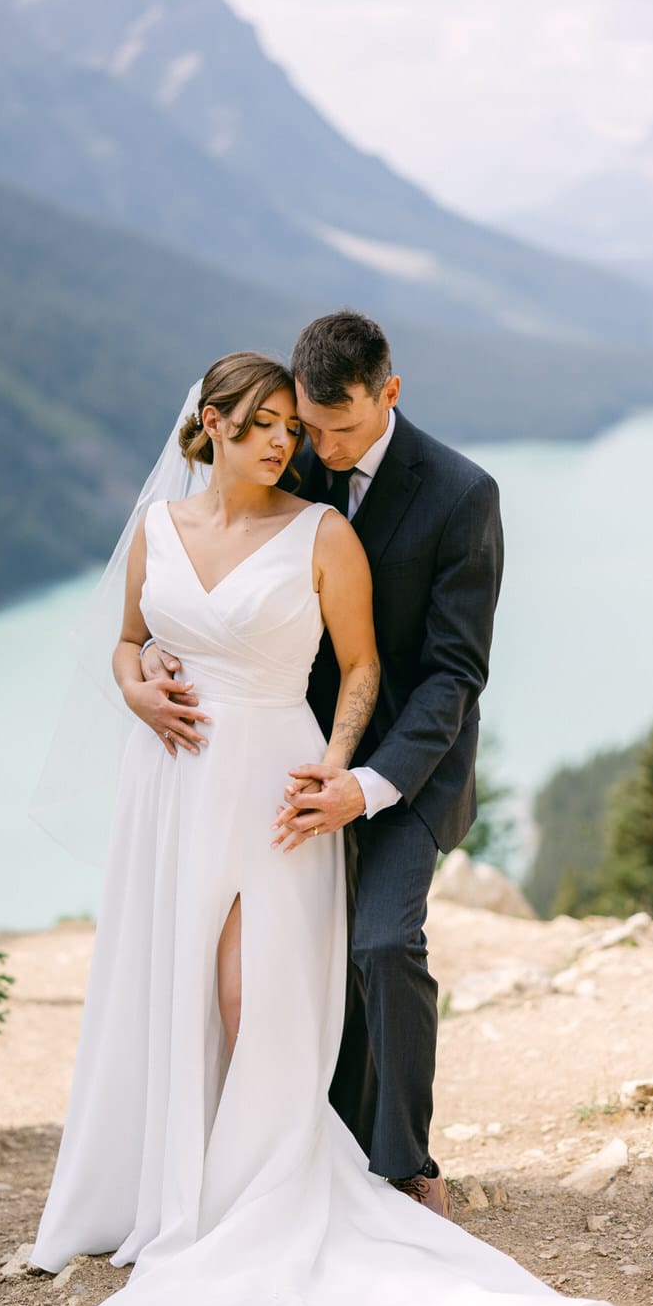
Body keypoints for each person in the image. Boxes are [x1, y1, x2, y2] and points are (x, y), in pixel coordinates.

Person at [24, 350, 615, 1306]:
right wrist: (137, 683)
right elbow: (129, 640)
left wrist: (344, 772)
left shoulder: (358, 516)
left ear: (384, 394)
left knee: (305, 971)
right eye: (273, 427)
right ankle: (178, 1178)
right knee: (177, 978)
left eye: (300, 432)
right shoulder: (170, 523)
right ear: (210, 424)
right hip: (170, 786)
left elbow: (402, 669)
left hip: (295, 778)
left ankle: (372, 1170)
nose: (292, 447)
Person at [146, 311, 503, 1218]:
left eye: (340, 430)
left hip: (404, 769)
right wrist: (152, 656)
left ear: (390, 392)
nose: (319, 449)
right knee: (279, 961)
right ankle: (301, 1147)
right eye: (308, 427)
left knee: (381, 943)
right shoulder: (286, 453)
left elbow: (453, 673)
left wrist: (365, 782)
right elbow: (208, 579)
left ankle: (402, 1166)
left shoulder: (462, 494)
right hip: (276, 762)